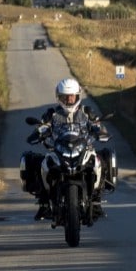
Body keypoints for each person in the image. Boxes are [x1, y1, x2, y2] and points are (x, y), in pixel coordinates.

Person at [21, 78, 114, 220]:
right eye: (65, 97)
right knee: (41, 163)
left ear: (78, 96)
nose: (69, 100)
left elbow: (97, 124)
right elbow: (42, 125)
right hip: (58, 149)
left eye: (72, 96)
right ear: (59, 97)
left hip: (83, 148)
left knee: (100, 160)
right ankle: (44, 203)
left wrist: (99, 130)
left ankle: (96, 201)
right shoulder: (52, 113)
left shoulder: (86, 111)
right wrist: (39, 132)